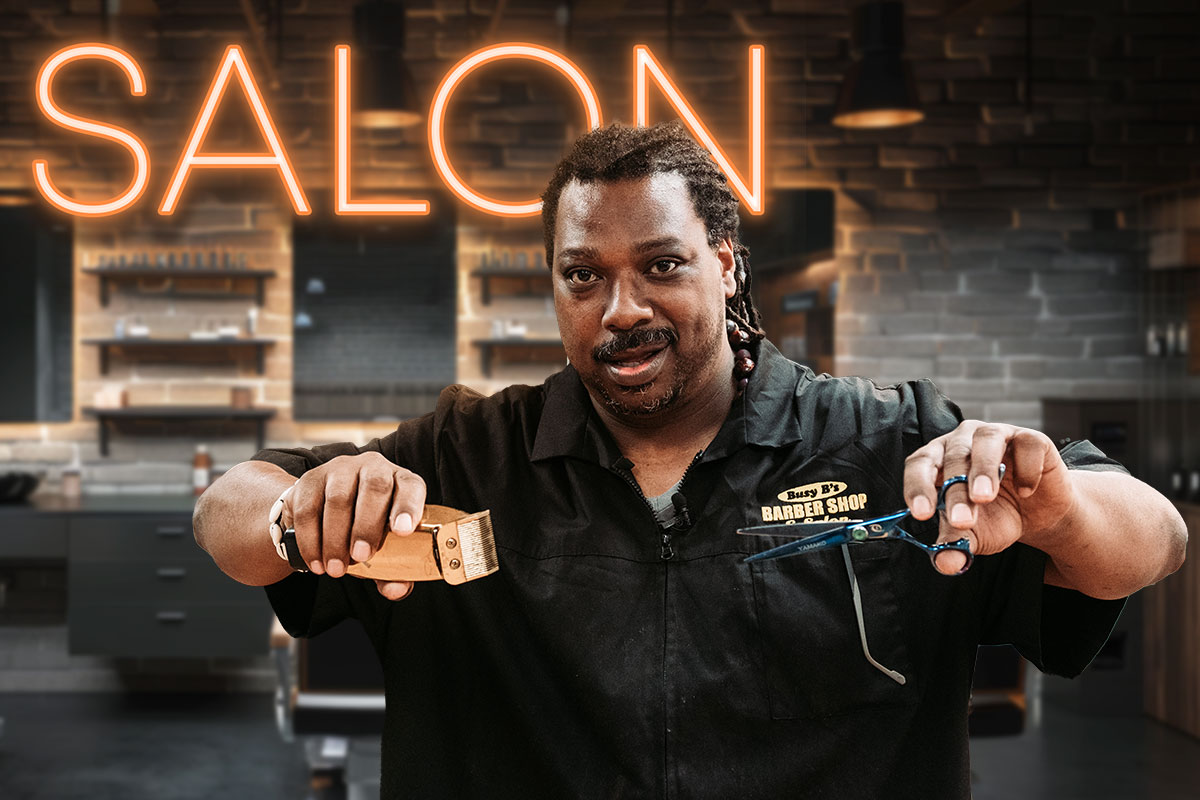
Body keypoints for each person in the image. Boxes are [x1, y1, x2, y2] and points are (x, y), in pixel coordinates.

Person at [194, 121, 1187, 799]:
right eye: (583, 276)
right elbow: (228, 511)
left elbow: (1155, 537)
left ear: (726, 262)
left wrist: (1057, 508)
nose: (620, 309)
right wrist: (299, 512)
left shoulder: (892, 444)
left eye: (660, 265)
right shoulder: (464, 453)